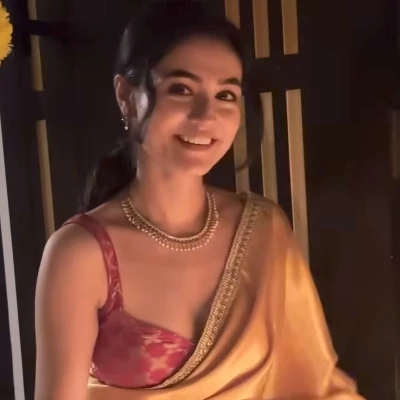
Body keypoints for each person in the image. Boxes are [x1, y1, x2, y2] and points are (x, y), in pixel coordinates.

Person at [34, 1, 365, 399]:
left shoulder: (264, 230)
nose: (206, 116)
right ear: (127, 96)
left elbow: (318, 387)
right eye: (181, 89)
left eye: (226, 94)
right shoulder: (79, 255)